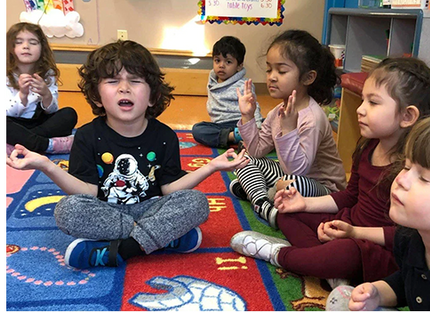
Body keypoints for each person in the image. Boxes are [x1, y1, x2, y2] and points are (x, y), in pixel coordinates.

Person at [6, 40, 249, 268]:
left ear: (153, 95)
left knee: (196, 202)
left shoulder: (164, 136)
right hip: (107, 214)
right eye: (112, 81)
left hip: (151, 209)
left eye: (135, 81)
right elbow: (88, 192)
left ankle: (121, 251)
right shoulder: (86, 136)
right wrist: (45, 164)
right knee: (66, 210)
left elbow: (170, 189)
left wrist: (211, 167)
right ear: (96, 96)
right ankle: (165, 239)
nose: (124, 88)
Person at [230, 57, 430, 286]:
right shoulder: (369, 145)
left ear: (407, 116)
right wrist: (304, 204)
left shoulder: (413, 171)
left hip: (375, 247)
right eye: (363, 101)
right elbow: (350, 197)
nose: (360, 110)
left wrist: (354, 233)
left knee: (344, 254)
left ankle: (278, 254)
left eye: (373, 103)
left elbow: (405, 236)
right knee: (288, 213)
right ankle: (327, 268)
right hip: (347, 226)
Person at [339, 113, 430, 311]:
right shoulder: (408, 238)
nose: (401, 180)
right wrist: (376, 293)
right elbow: (407, 284)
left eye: (424, 178)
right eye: (406, 167)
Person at [231, 29, 346, 227]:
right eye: (269, 70)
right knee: (244, 160)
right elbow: (257, 150)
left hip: (321, 188)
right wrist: (247, 116)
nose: (272, 77)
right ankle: (265, 204)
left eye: (281, 71)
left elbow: (298, 171)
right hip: (286, 173)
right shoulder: (279, 111)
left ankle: (259, 191)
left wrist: (289, 129)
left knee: (291, 183)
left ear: (308, 78)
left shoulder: (313, 118)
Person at [7, 22, 76, 154]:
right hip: (14, 123)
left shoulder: (47, 73)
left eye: (33, 42)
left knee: (69, 114)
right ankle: (48, 145)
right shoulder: (5, 75)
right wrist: (22, 94)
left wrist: (46, 95)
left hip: (39, 124)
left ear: (42, 48)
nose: (26, 46)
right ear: (10, 48)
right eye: (19, 42)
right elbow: (7, 113)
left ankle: (18, 145)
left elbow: (52, 111)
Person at [194, 36, 259, 149]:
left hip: (242, 122)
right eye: (217, 60)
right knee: (197, 129)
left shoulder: (244, 85)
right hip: (221, 126)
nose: (221, 65)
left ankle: (245, 137)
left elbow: (254, 107)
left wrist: (256, 126)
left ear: (239, 66)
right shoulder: (212, 82)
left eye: (228, 62)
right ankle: (234, 137)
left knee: (270, 125)